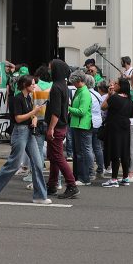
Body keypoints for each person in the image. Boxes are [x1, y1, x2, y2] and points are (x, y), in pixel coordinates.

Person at [0, 74, 51, 204]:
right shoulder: (17, 98)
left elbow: (29, 115)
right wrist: (33, 113)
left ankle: (40, 196)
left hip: (29, 132)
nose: (34, 86)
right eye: (32, 84)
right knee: (14, 163)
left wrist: (34, 119)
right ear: (25, 85)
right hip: (19, 132)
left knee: (38, 163)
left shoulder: (29, 98)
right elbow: (18, 118)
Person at [44, 59, 77, 199]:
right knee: (53, 157)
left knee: (57, 156)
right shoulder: (63, 85)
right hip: (61, 126)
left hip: (56, 127)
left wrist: (50, 128)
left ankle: (71, 185)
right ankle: (51, 185)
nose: (49, 71)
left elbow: (56, 112)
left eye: (51, 68)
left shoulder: (56, 88)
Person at [101, 78, 133, 187]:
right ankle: (125, 177)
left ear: (120, 86)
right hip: (125, 126)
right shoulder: (129, 99)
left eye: (116, 84)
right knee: (124, 152)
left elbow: (103, 107)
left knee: (115, 152)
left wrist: (109, 95)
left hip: (114, 127)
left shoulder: (114, 98)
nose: (113, 85)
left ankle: (113, 179)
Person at [68, 71, 94, 186]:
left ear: (79, 81)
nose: (73, 84)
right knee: (78, 152)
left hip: (82, 126)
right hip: (76, 125)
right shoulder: (80, 91)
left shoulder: (84, 93)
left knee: (81, 153)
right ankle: (79, 176)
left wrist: (68, 108)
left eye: (74, 82)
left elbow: (82, 111)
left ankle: (84, 178)